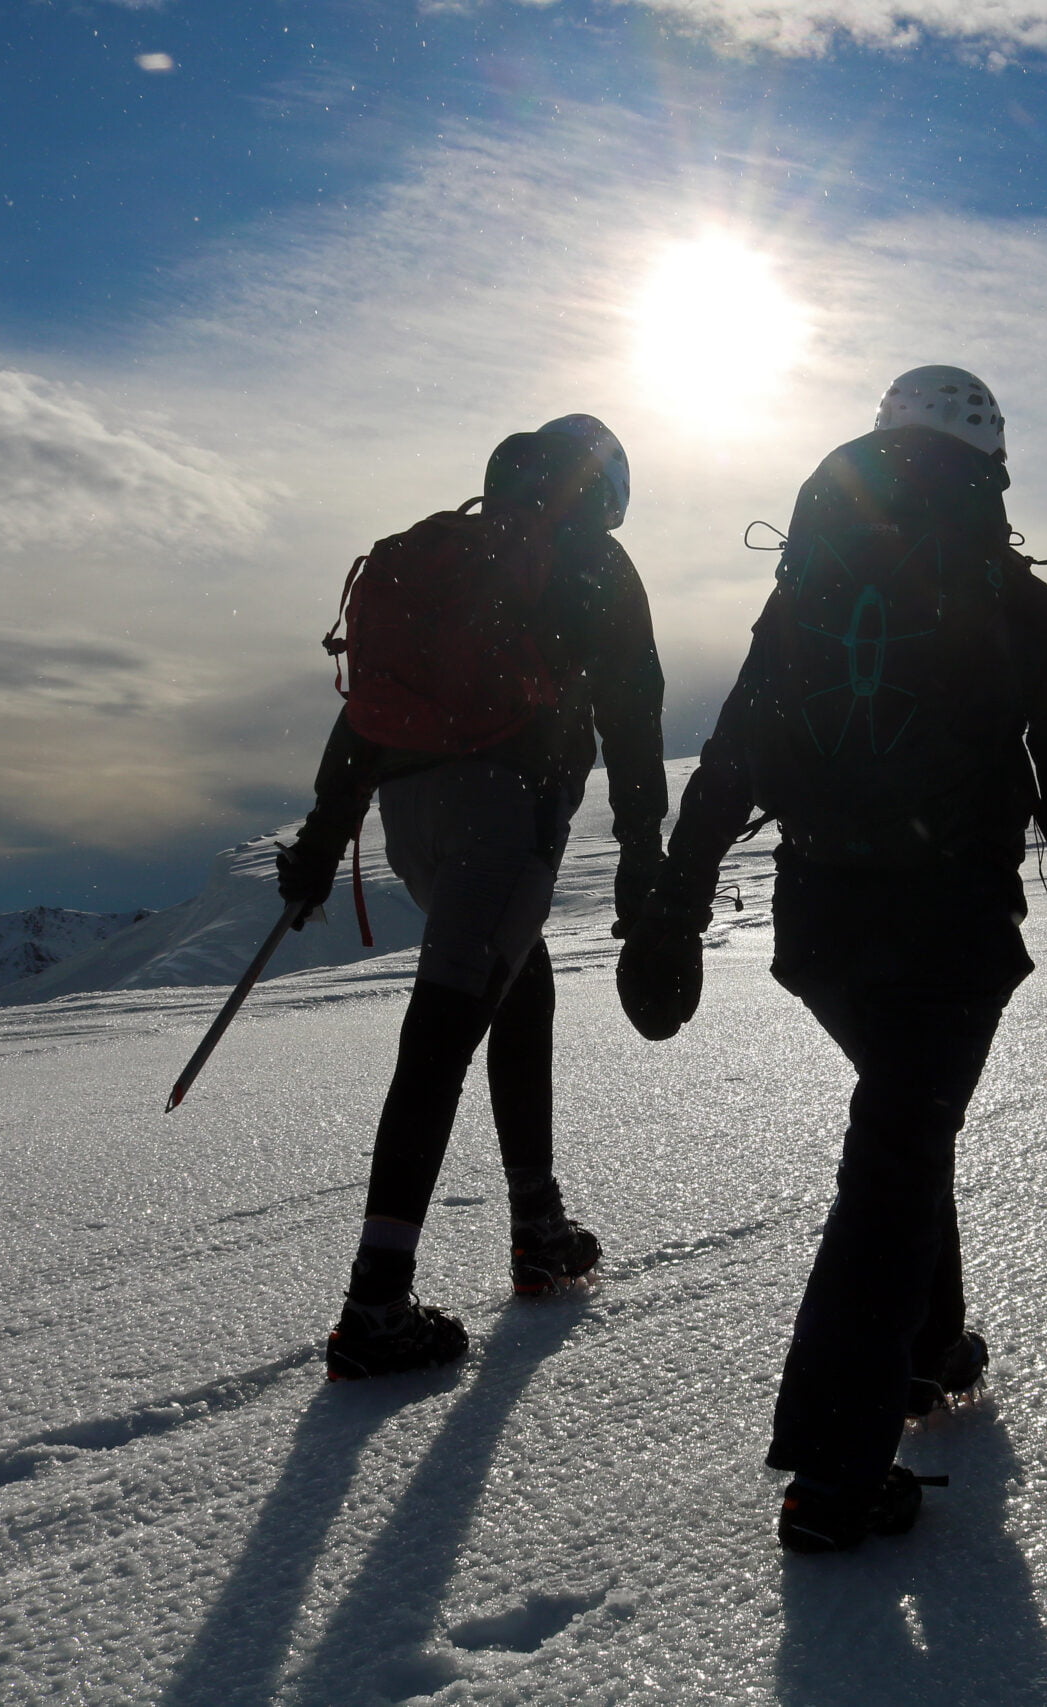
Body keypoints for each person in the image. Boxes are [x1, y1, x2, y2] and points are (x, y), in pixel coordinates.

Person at [617, 367, 1047, 1551]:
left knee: (905, 1123)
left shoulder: (811, 588)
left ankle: (926, 1352)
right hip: (951, 925)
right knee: (897, 1149)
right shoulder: (1018, 606)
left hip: (821, 925)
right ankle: (835, 1465)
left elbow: (732, 755)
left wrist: (673, 906)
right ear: (992, 464)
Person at [279, 414, 666, 1379]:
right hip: (505, 814)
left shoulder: (448, 560)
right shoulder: (595, 569)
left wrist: (328, 838)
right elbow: (633, 717)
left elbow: (366, 712)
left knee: (516, 978)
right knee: (443, 1031)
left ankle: (537, 1224)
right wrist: (641, 854)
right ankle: (376, 1304)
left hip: (413, 820)